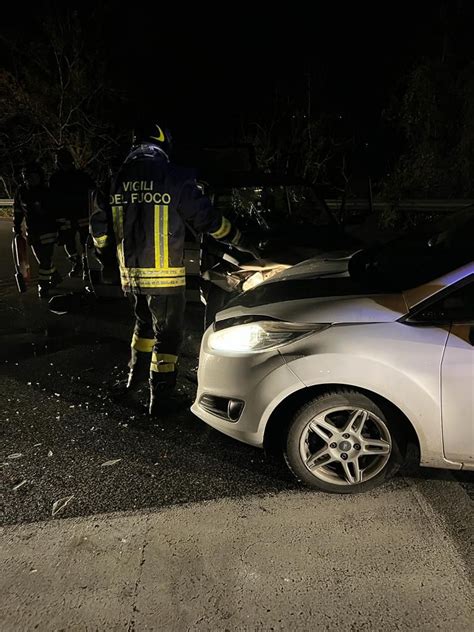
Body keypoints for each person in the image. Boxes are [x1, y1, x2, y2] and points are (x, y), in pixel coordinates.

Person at [90, 122, 257, 415]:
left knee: (143, 327)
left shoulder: (114, 180)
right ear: (164, 146)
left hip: (130, 277)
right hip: (165, 279)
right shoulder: (173, 177)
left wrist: (105, 257)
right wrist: (240, 240)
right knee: (168, 337)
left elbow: (99, 230)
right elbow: (207, 220)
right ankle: (161, 399)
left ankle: (135, 380)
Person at [13, 162, 61, 298]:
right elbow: (18, 210)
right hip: (33, 232)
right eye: (27, 176)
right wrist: (16, 226)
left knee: (45, 259)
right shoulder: (21, 191)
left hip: (48, 230)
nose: (31, 179)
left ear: (39, 176)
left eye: (34, 176)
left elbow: (55, 211)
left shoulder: (46, 192)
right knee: (42, 259)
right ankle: (56, 276)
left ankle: (43, 286)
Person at [49, 148, 95, 280]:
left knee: (80, 242)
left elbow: (92, 194)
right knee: (72, 242)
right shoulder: (59, 178)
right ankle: (80, 265)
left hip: (79, 216)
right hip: (70, 217)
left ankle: (83, 266)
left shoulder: (59, 178)